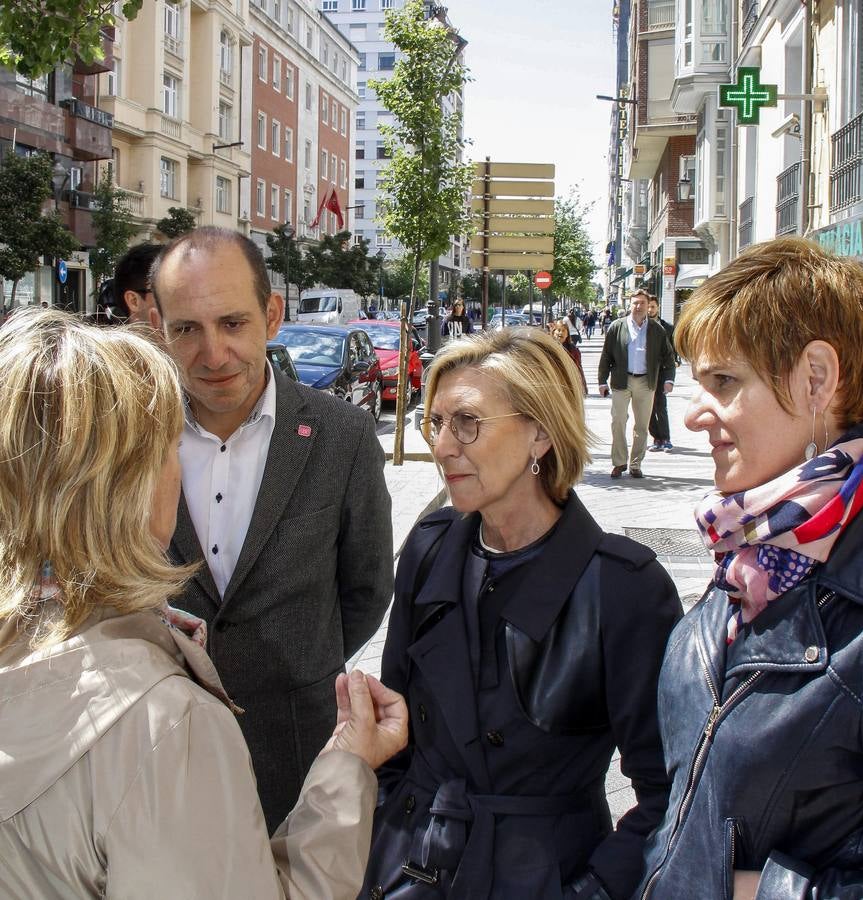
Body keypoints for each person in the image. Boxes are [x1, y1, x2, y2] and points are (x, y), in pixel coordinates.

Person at [0, 309, 409, 898]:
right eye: (171, 448)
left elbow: (366, 587)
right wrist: (347, 771)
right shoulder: (164, 728)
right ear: (128, 485)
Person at [359, 327, 682, 900]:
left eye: (467, 422)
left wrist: (592, 891)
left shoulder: (622, 587)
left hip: (544, 875)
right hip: (412, 867)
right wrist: (389, 829)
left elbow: (668, 793)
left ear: (539, 432)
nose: (441, 446)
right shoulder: (430, 546)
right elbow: (399, 720)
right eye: (434, 423)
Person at [638, 237, 863, 899]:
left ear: (817, 380)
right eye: (696, 382)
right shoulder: (750, 558)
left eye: (723, 382)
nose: (694, 413)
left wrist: (773, 893)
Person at [150, 226, 394, 831]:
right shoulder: (133, 438)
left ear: (273, 315)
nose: (212, 354)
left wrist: (299, 663)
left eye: (232, 323)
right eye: (187, 329)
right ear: (160, 329)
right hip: (156, 754)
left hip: (296, 754)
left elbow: (367, 589)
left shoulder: (343, 437)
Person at [597, 290, 675, 479]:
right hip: (621, 381)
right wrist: (602, 381)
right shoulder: (617, 327)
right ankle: (619, 462)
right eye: (634, 303)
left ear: (648, 306)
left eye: (642, 303)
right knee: (618, 420)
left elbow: (668, 357)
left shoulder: (657, 330)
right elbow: (606, 355)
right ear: (629, 305)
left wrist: (668, 380)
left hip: (646, 382)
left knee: (641, 425)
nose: (638, 306)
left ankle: (635, 464)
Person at [646, 295, 676, 453]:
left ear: (658, 307)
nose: (650, 310)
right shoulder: (641, 326)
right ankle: (656, 437)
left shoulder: (667, 328)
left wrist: (671, 373)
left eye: (653, 307)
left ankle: (666, 438)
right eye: (648, 307)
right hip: (645, 372)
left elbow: (672, 350)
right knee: (647, 407)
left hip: (662, 371)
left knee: (660, 405)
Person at [549, 318, 587, 394]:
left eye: (563, 330)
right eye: (558, 330)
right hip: (551, 386)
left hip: (568, 386)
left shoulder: (573, 350)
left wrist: (583, 386)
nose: (561, 333)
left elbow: (578, 368)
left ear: (567, 334)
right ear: (553, 332)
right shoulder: (547, 348)